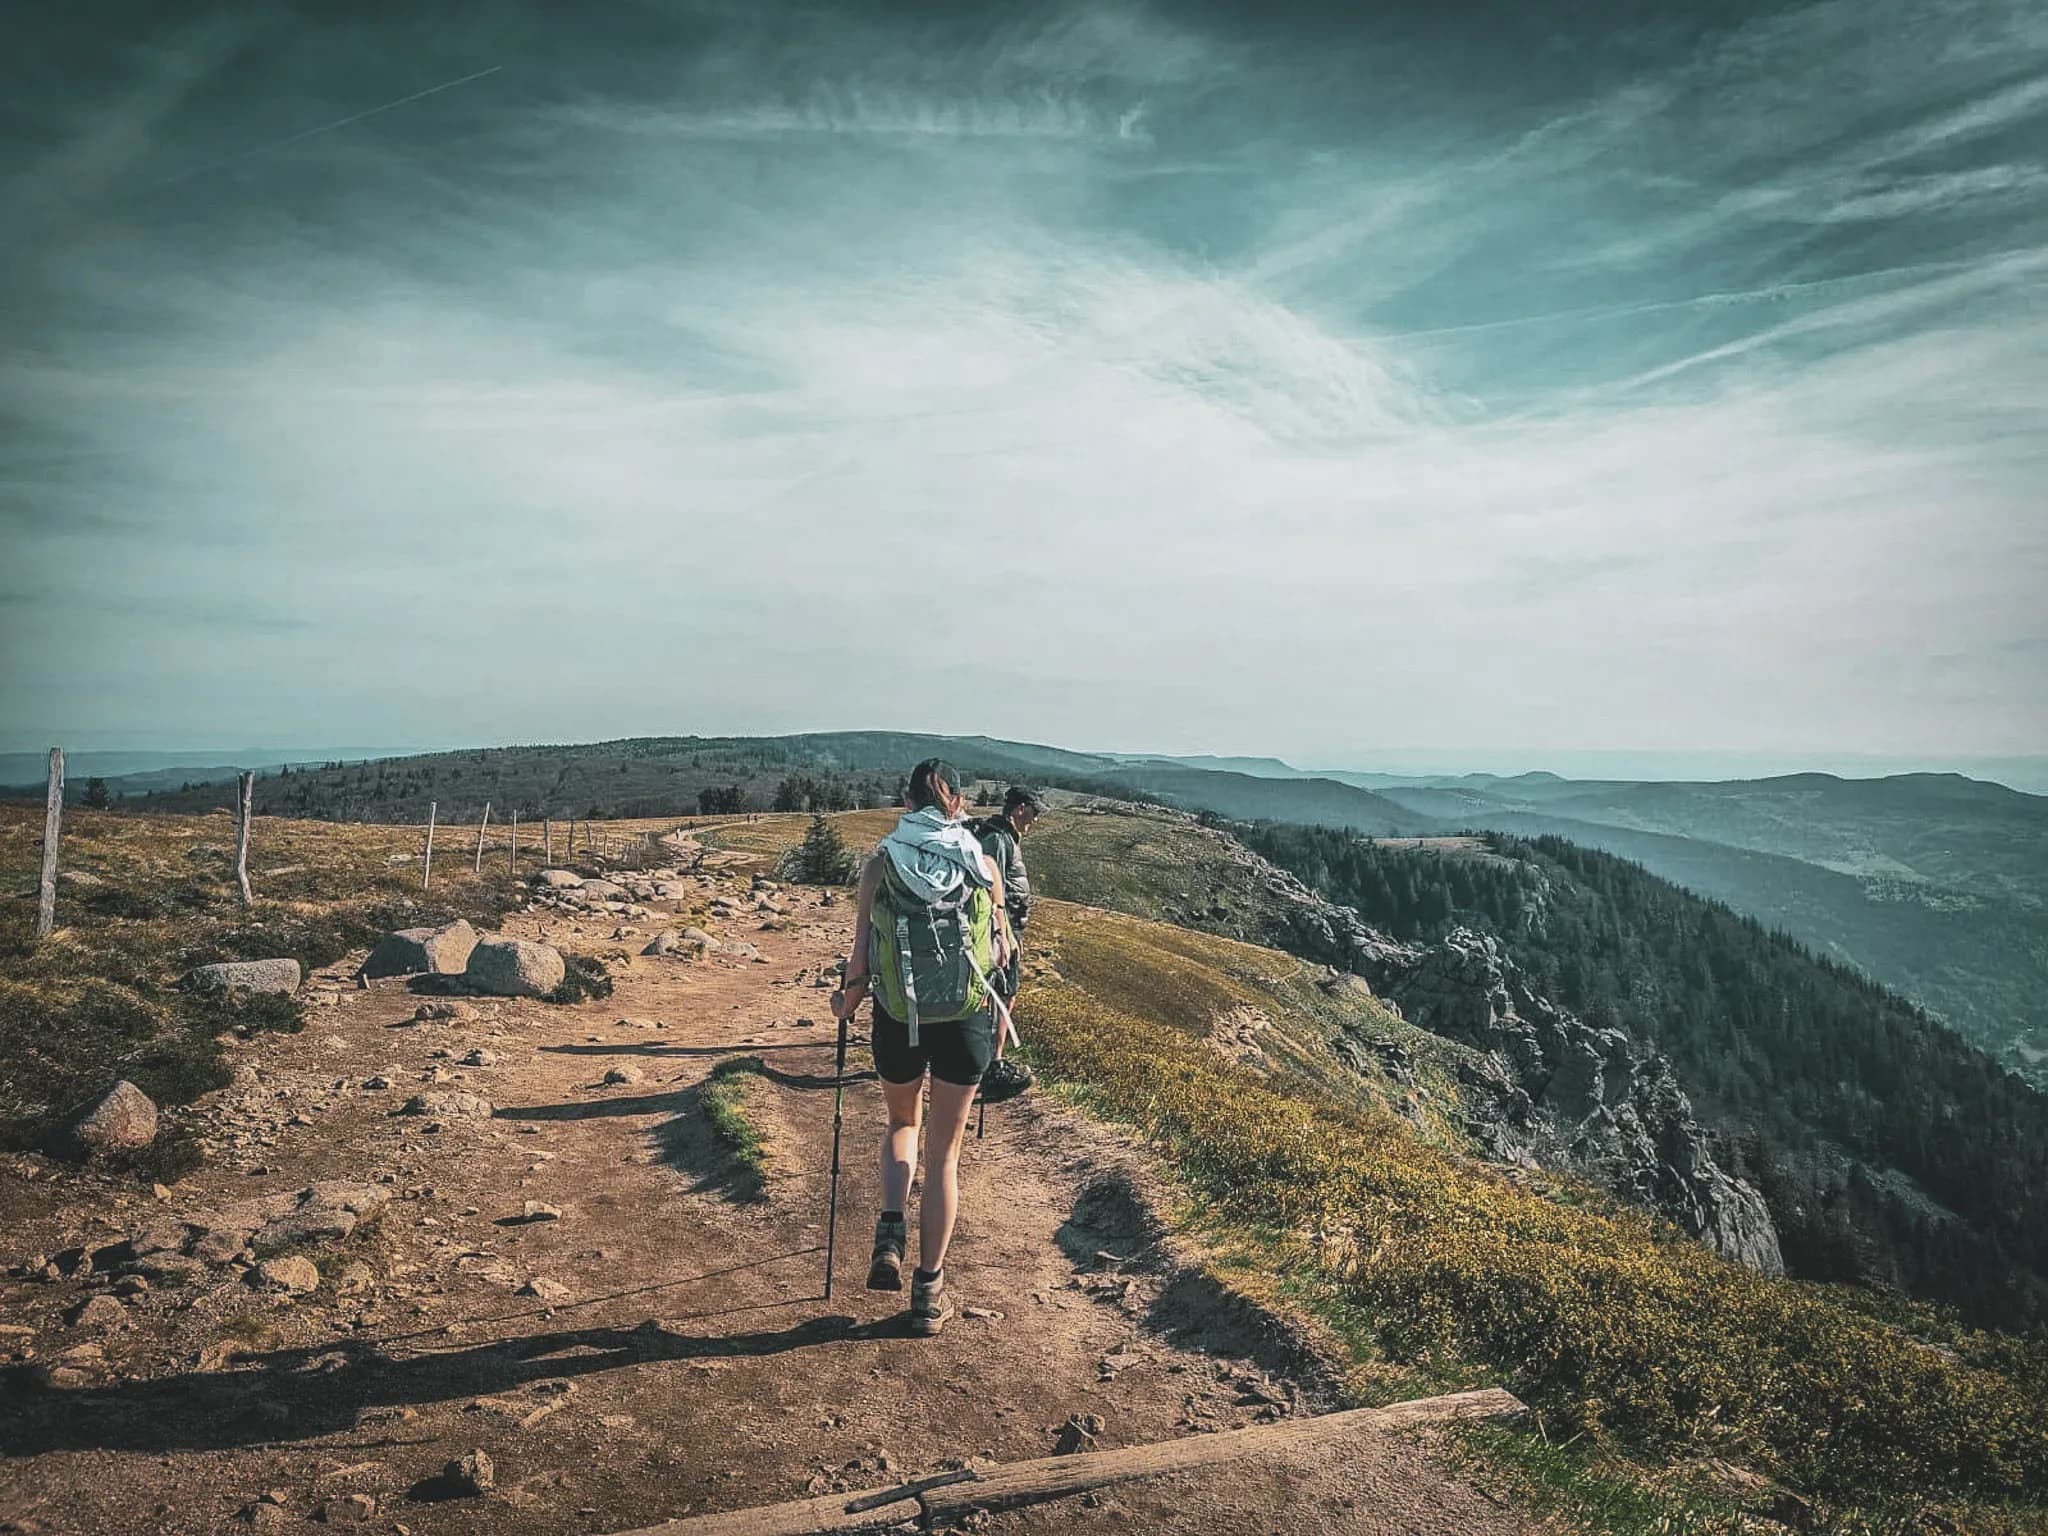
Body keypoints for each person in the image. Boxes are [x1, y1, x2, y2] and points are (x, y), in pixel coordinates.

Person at [830, 759, 1010, 1336]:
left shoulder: (880, 864)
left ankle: (890, 1229)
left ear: (906, 802)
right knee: (945, 1155)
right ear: (957, 803)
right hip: (964, 1021)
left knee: (902, 1123)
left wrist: (844, 1003)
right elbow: (1000, 955)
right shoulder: (982, 865)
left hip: (898, 1018)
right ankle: (928, 1294)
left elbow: (860, 958)